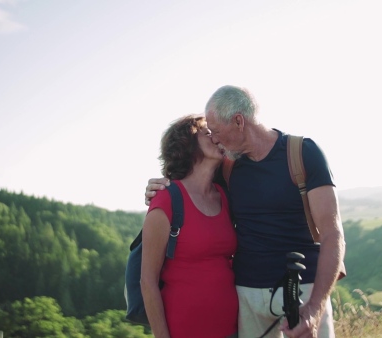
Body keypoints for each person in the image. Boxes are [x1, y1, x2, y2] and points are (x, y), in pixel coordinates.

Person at [144, 85, 345, 338]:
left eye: (216, 131)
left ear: (239, 121)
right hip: (247, 294)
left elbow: (333, 234)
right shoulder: (228, 165)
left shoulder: (303, 154)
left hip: (302, 288)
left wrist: (315, 308)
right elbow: (189, 178)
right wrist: (157, 186)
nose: (214, 138)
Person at [140, 115, 238, 338]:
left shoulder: (224, 195)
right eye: (207, 133)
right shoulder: (166, 200)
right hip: (184, 330)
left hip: (233, 331)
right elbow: (148, 281)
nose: (216, 138)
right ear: (188, 143)